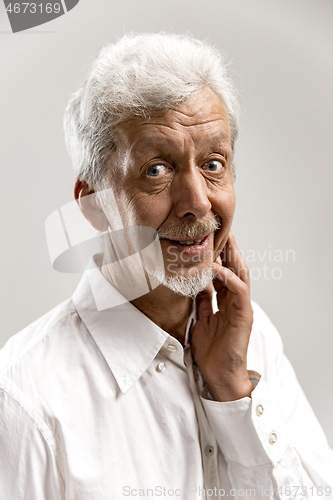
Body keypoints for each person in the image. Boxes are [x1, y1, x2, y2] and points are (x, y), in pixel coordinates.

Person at [0, 33, 332, 500]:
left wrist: (234, 392)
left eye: (214, 163)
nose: (197, 202)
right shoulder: (23, 398)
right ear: (95, 206)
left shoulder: (255, 342)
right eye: (156, 169)